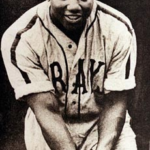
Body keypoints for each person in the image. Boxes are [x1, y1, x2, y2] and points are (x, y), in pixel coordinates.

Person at [1, 0, 137, 150]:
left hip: (103, 124)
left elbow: (114, 103)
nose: (73, 6)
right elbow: (47, 110)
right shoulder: (22, 37)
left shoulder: (118, 28)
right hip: (50, 128)